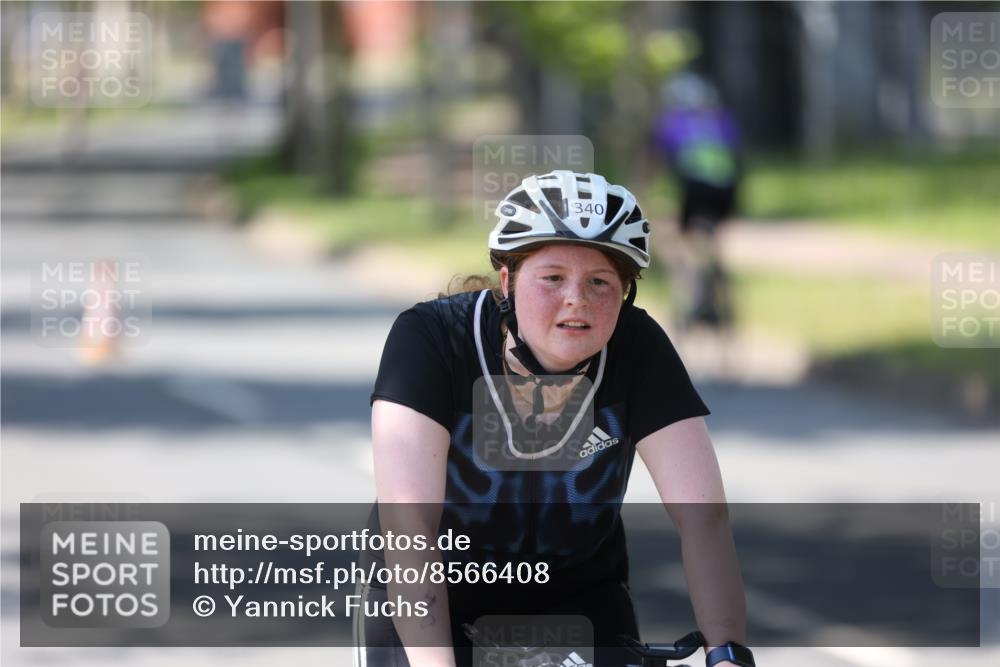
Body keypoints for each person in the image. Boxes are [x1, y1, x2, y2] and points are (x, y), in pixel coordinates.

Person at [359, 171, 752, 667]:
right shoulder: (430, 341)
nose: (577, 299)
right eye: (552, 278)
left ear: (626, 293)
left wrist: (727, 652)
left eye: (600, 282)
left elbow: (703, 518)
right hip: (433, 597)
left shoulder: (639, 348)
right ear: (508, 280)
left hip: (578, 597)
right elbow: (408, 522)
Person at [653, 72, 741, 333]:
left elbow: (658, 162)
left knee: (680, 245)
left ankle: (690, 293)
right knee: (713, 244)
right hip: (725, 192)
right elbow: (737, 159)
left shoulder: (673, 122)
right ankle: (719, 285)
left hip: (693, 190)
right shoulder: (723, 120)